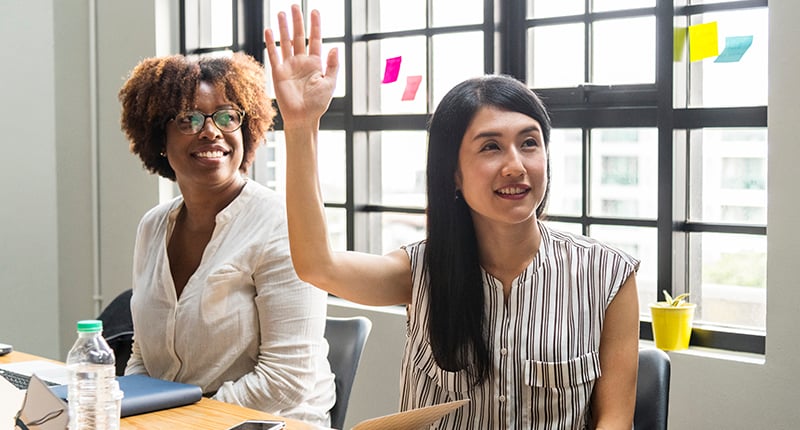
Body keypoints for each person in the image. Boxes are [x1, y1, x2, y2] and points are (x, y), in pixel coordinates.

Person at [266, 5, 640, 429]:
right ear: (454, 175)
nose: (516, 165)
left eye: (529, 143)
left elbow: (614, 420)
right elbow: (318, 266)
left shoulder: (607, 275)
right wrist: (301, 126)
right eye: (490, 147)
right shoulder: (420, 270)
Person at [117, 52, 336, 426]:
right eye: (188, 119)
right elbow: (143, 355)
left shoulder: (282, 223)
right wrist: (134, 411)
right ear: (158, 138)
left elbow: (286, 380)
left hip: (269, 422)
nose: (211, 131)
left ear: (245, 131)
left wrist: (186, 422)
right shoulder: (153, 226)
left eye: (227, 116)